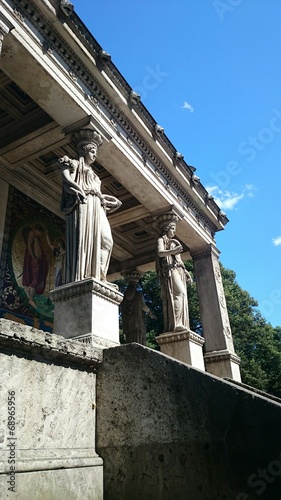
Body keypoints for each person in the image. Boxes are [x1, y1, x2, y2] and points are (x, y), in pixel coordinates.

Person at [58, 129, 121, 283]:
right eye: (92, 151)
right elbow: (66, 179)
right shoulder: (73, 164)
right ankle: (85, 274)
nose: (95, 155)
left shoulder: (94, 174)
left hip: (98, 206)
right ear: (84, 151)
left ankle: (99, 275)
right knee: (84, 238)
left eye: (95, 151)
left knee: (107, 241)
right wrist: (77, 188)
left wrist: (106, 200)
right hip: (84, 203)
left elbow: (96, 192)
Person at [156, 217, 192, 332]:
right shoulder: (161, 240)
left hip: (178, 269)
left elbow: (178, 260)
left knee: (183, 296)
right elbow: (161, 253)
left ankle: (181, 323)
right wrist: (173, 251)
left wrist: (186, 272)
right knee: (179, 293)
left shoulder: (174, 243)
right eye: (172, 229)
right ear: (166, 229)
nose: (174, 231)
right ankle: (176, 324)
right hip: (170, 270)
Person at [121, 272, 156, 345]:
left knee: (129, 338)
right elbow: (143, 306)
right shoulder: (138, 295)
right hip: (138, 322)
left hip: (128, 324)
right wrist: (150, 313)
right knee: (139, 338)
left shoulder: (123, 298)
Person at [22, 224, 49, 308]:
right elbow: (29, 246)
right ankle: (30, 299)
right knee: (35, 279)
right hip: (34, 260)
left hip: (38, 261)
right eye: (40, 233)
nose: (40, 235)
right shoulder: (32, 233)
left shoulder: (37, 237)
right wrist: (33, 257)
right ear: (37, 230)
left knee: (36, 278)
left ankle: (28, 291)